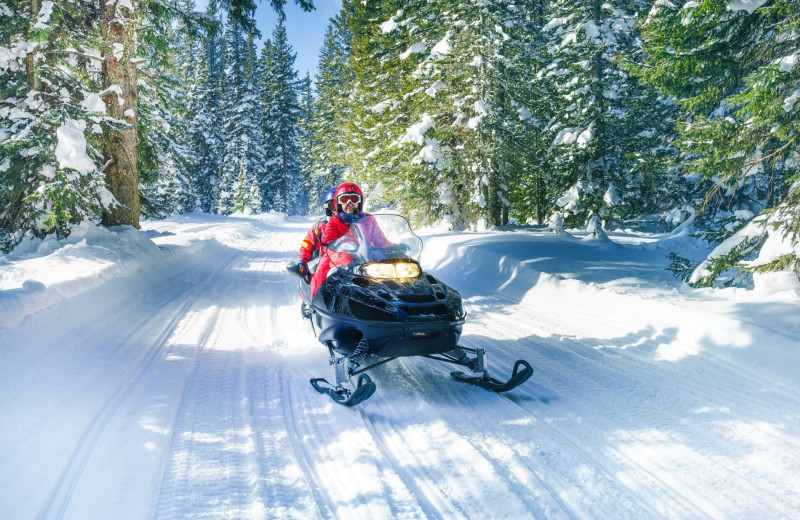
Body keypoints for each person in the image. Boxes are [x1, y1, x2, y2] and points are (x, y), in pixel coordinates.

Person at [310, 181, 390, 297]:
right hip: (337, 258)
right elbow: (328, 244)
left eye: (354, 199)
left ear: (360, 202)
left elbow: (381, 241)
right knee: (322, 269)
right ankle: (316, 302)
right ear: (338, 203)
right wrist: (344, 257)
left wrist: (395, 248)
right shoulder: (334, 221)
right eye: (344, 200)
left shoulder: (368, 219)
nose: (349, 203)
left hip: (365, 257)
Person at [296, 186, 337, 283]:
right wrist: (302, 260)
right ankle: (315, 296)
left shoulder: (355, 223)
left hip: (354, 264)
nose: (337, 208)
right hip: (329, 265)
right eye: (333, 205)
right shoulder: (320, 226)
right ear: (328, 207)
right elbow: (307, 243)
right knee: (318, 282)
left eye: (340, 204)